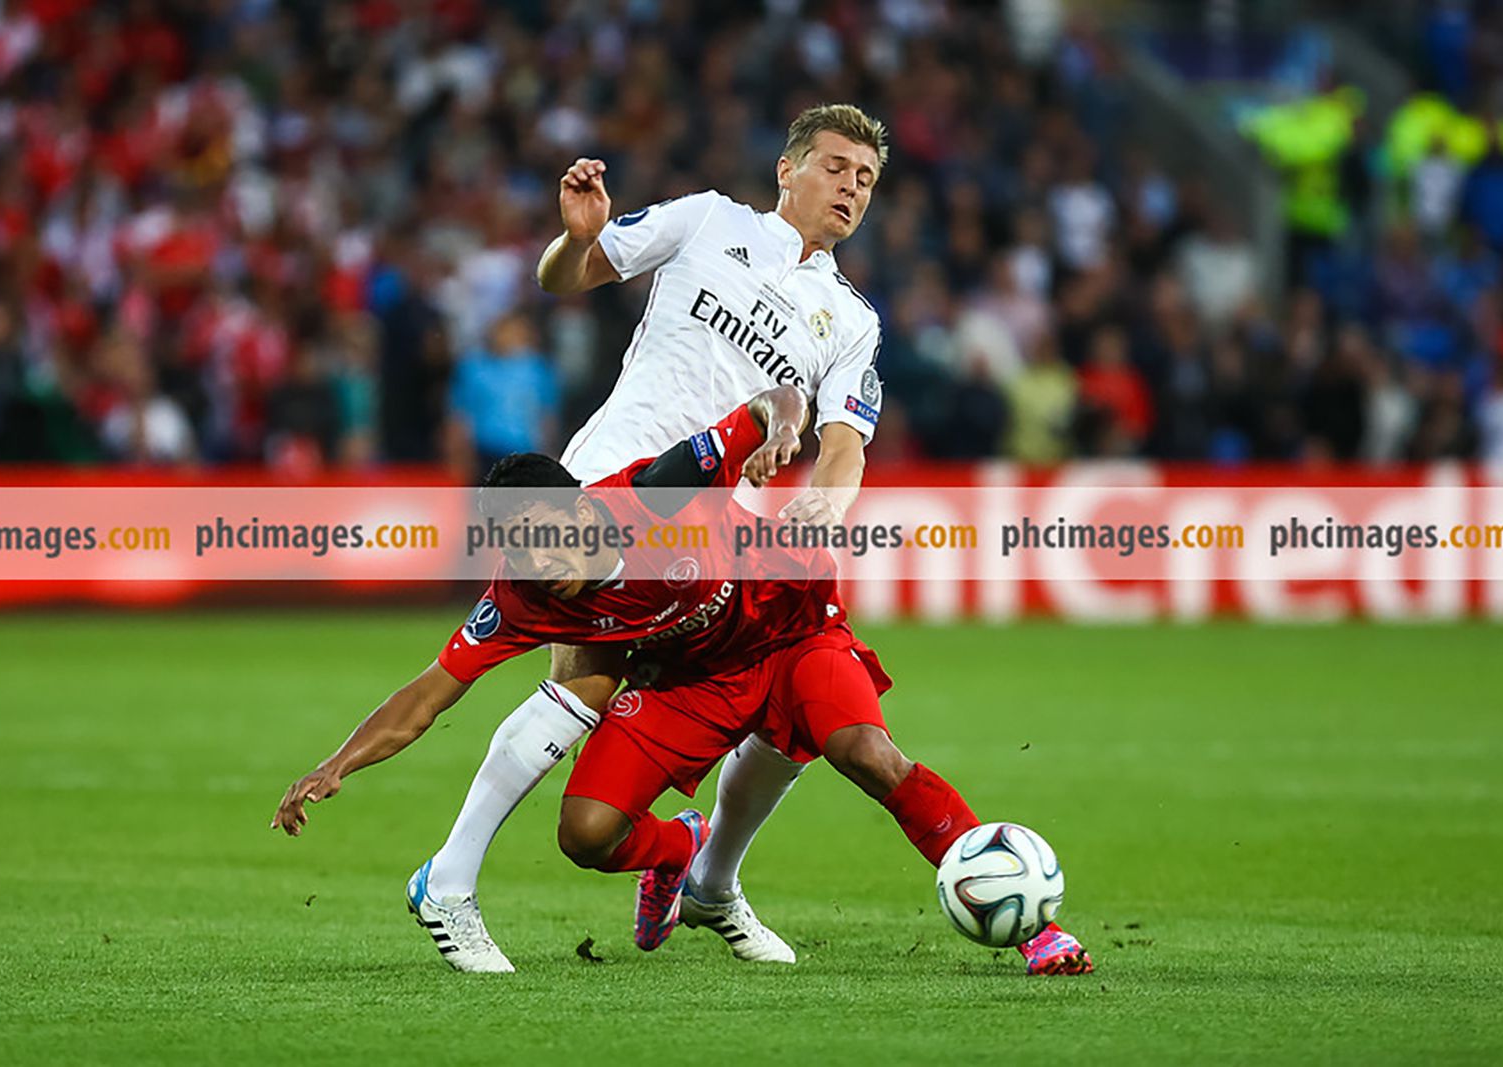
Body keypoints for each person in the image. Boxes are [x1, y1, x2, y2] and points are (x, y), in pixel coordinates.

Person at [272, 389, 1094, 978]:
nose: (540, 566)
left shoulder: (652, 491)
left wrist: (779, 431)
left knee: (867, 753)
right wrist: (335, 763)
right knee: (586, 834)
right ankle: (683, 848)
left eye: (547, 541)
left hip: (790, 632)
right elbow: (431, 690)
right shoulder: (520, 595)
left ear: (583, 510)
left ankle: (1035, 932)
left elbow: (775, 402)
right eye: (519, 550)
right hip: (692, 681)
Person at [377, 104, 892, 971]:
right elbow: (564, 278)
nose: (850, 187)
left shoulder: (852, 320)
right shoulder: (708, 221)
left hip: (723, 538)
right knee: (582, 682)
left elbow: (844, 444)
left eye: (866, 178)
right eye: (836, 166)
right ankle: (451, 881)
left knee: (774, 697)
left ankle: (701, 867)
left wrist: (828, 510)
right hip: (614, 487)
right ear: (787, 169)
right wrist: (576, 241)